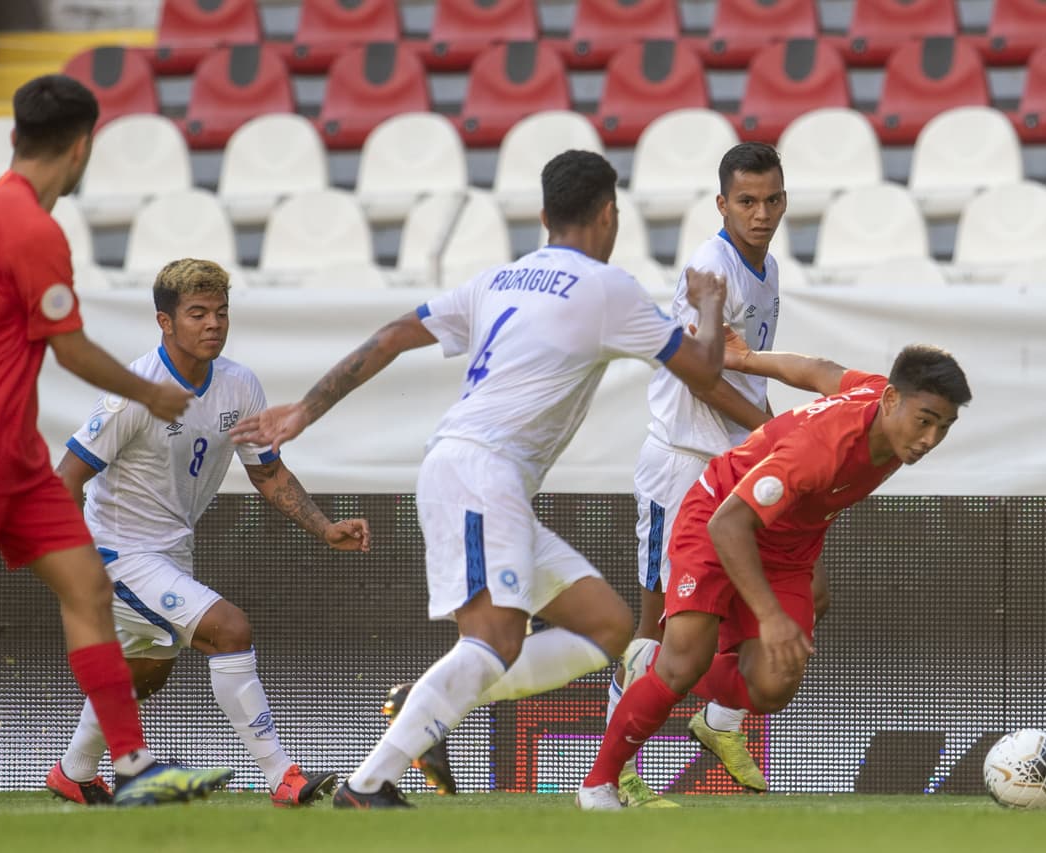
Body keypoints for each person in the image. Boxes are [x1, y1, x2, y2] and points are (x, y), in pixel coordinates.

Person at [231, 149, 729, 809]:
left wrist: (305, 409)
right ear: (610, 215)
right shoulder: (609, 288)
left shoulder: (499, 278)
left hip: (482, 478)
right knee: (494, 640)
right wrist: (713, 310)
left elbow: (387, 337)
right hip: (477, 472)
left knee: (607, 626)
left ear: (545, 215)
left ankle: (420, 703)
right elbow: (704, 370)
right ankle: (368, 781)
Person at [0, 74, 232, 806]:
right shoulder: (33, 228)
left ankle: (127, 762)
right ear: (82, 147)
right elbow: (70, 349)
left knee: (90, 587)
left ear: (15, 138)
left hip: (18, 456)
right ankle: (124, 758)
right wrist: (152, 392)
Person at [578, 338, 972, 809]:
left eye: (943, 427)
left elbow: (818, 369)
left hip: (786, 543)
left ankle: (668, 670)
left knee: (771, 687)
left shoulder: (877, 395)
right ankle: (597, 785)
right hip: (719, 515)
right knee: (684, 665)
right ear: (892, 401)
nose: (930, 439)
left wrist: (745, 359)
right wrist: (769, 616)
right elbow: (729, 524)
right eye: (924, 421)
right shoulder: (822, 448)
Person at [44, 258, 369, 807]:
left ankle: (73, 773)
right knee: (230, 630)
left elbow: (267, 472)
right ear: (164, 322)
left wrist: (325, 527)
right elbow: (66, 479)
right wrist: (75, 565)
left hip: (171, 551)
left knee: (143, 677)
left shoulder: (239, 384)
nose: (213, 324)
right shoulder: (135, 391)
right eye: (197, 313)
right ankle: (282, 776)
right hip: (115, 553)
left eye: (221, 312)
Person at [611, 141, 823, 806]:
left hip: (739, 466)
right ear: (722, 204)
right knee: (661, 626)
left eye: (772, 200)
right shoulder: (711, 265)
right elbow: (699, 375)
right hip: (685, 463)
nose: (761, 214)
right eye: (747, 201)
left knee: (804, 592)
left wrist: (770, 431)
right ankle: (616, 763)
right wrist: (770, 431)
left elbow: (745, 366)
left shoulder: (769, 266)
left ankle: (720, 720)